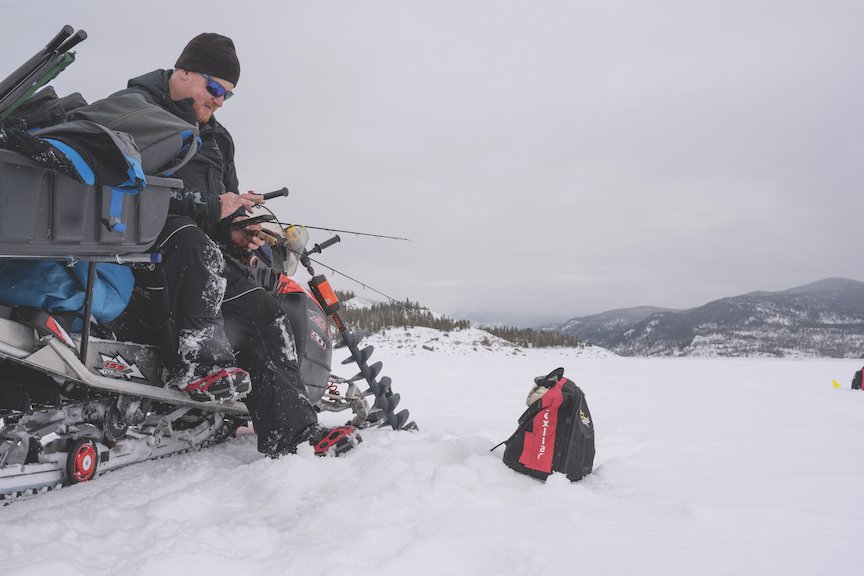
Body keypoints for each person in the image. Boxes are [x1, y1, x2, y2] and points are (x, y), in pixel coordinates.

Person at [113, 33, 360, 457]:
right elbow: (122, 184)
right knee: (195, 245)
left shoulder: (219, 139)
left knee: (266, 308)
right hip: (141, 241)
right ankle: (197, 362)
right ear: (183, 72)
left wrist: (237, 227)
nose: (220, 101)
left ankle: (293, 434)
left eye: (228, 94)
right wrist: (213, 206)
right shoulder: (134, 110)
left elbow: (222, 207)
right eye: (214, 89)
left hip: (203, 255)